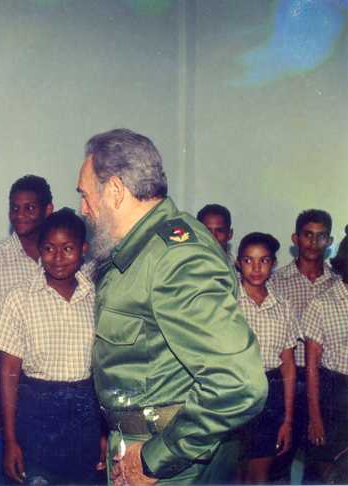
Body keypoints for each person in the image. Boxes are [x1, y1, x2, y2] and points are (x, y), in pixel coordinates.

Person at [76, 128, 267, 485]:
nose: (83, 209)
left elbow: (240, 384)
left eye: (86, 196)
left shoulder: (176, 257)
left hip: (172, 464)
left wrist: (155, 459)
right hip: (136, 447)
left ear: (115, 190)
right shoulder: (133, 253)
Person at [0, 208, 105, 484]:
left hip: (86, 419)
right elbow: (9, 376)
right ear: (40, 251)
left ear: (83, 249)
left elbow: (104, 371)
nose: (57, 258)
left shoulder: (97, 299)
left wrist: (105, 433)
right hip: (36, 419)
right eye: (49, 248)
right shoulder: (20, 300)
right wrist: (10, 440)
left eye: (67, 248)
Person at [270, 209, 338, 482]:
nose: (313, 243)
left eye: (321, 237)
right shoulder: (275, 282)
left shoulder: (337, 285)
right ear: (295, 238)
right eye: (307, 235)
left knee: (320, 466)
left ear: (330, 241)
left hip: (325, 388)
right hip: (284, 383)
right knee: (278, 462)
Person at [235, 232, 297, 483]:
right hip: (231, 392)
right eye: (249, 260)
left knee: (258, 476)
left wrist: (288, 419)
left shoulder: (283, 306)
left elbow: (289, 367)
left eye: (264, 260)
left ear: (273, 264)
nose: (256, 268)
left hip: (270, 397)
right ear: (238, 263)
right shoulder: (227, 303)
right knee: (232, 472)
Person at [0, 174, 53, 339]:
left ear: (47, 210)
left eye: (30, 208)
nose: (20, 215)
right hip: (0, 362)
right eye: (14, 208)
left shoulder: (61, 261)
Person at [303, 225, 348, 482]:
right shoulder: (321, 303)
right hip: (333, 397)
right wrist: (315, 417)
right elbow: (311, 367)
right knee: (321, 474)